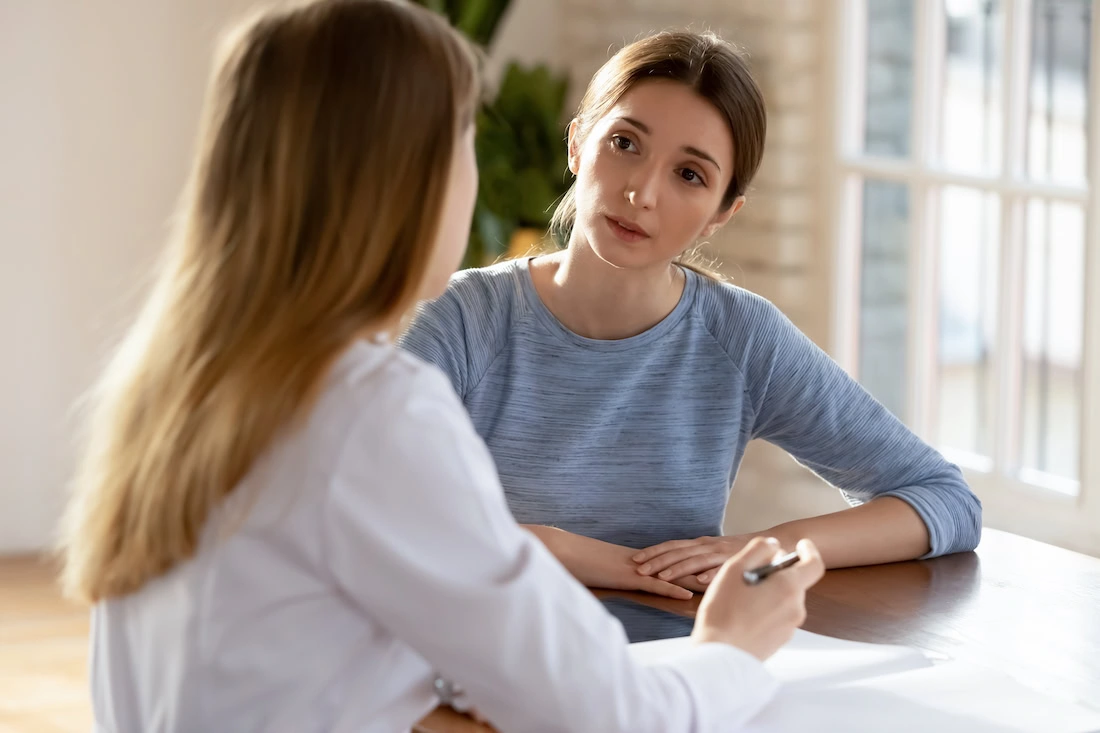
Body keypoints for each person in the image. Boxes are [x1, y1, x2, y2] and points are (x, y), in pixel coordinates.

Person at [56, 2, 825, 731]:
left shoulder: (177, 379)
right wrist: (731, 645)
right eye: (464, 139)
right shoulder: (370, 411)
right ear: (404, 181)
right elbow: (613, 715)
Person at [398, 29, 982, 600]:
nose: (643, 194)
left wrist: (763, 549)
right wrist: (591, 557)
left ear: (721, 214)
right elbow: (373, 512)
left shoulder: (740, 337)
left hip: (682, 656)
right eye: (625, 143)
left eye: (689, 175)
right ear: (577, 144)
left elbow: (944, 499)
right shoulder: (459, 321)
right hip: (488, 656)